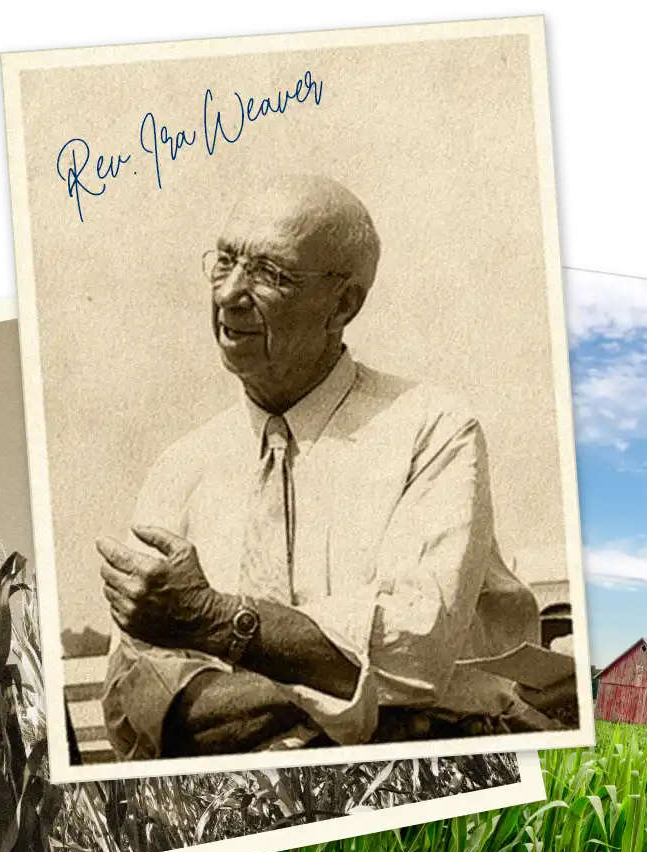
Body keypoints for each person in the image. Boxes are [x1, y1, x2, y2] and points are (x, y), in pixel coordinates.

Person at [95, 174, 560, 760]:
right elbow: (138, 705)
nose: (229, 293)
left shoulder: (433, 430)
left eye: (271, 273)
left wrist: (213, 622)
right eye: (225, 260)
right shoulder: (179, 470)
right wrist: (355, 683)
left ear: (344, 304)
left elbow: (415, 647)